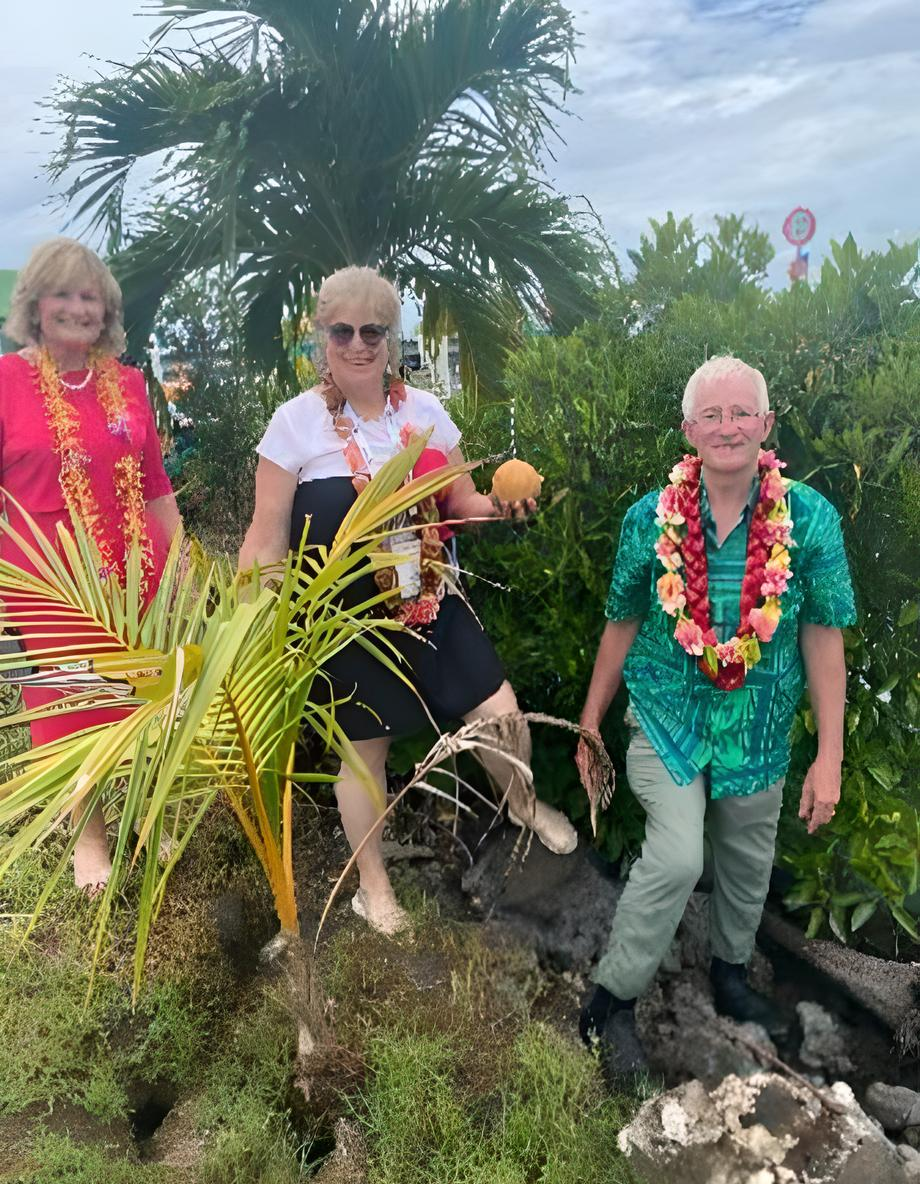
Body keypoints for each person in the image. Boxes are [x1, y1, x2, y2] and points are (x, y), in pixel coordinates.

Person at [240, 265, 576, 935]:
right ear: (321, 337)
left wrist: (503, 509)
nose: (359, 343)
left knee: (502, 714)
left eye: (374, 331)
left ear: (392, 338)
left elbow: (458, 502)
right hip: (347, 625)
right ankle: (373, 886)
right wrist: (251, 614)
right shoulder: (295, 426)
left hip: (430, 600)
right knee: (364, 759)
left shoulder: (423, 413)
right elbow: (265, 536)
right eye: (343, 330)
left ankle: (520, 803)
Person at [575, 356, 855, 1071]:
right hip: (667, 714)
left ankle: (730, 976)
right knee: (676, 857)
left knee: (747, 856)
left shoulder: (812, 519)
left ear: (766, 426)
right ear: (688, 429)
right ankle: (612, 1001)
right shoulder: (650, 519)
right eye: (712, 414)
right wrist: (590, 720)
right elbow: (623, 621)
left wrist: (830, 756)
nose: (726, 427)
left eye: (741, 414)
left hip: (759, 725)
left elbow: (824, 639)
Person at [0, 238, 181, 892]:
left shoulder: (128, 384)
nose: (79, 308)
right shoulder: (5, 382)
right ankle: (90, 838)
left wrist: (179, 569)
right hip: (52, 584)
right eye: (64, 295)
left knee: (142, 701)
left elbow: (156, 485)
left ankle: (147, 813)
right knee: (72, 705)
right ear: (35, 305)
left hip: (138, 573)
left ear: (106, 311)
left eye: (91, 297)